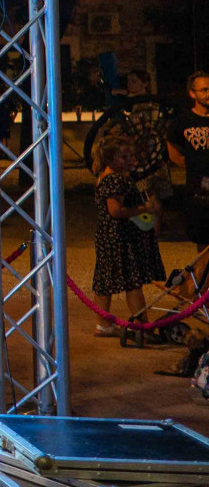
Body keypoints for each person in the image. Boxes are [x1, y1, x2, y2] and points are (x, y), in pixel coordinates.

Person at [94, 135, 167, 336]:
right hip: (121, 237)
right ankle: (142, 325)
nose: (130, 161)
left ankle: (103, 323)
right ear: (111, 158)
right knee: (132, 282)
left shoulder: (102, 176)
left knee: (105, 279)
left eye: (131, 156)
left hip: (106, 236)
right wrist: (144, 208)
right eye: (124, 157)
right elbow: (115, 210)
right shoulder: (116, 180)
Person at [171, 70, 209, 285]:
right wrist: (192, 166)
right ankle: (203, 293)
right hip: (198, 194)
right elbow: (172, 148)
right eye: (204, 90)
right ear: (192, 93)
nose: (208, 93)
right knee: (202, 246)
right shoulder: (183, 121)